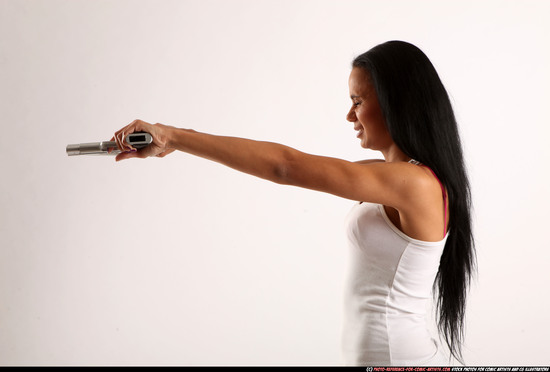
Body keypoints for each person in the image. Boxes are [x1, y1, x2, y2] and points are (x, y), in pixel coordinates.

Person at [110, 40, 475, 366]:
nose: (350, 116)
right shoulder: (393, 177)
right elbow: (286, 165)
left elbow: (286, 166)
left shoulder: (413, 184)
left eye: (358, 102)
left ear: (396, 102)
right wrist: (176, 140)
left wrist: (173, 135)